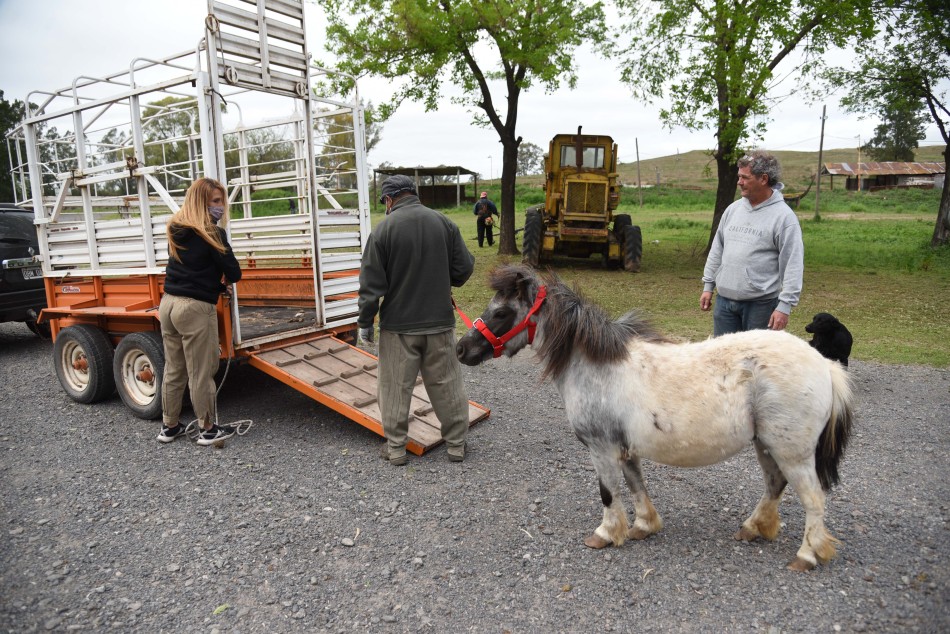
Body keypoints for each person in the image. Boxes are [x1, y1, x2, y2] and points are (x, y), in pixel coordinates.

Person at [358, 175, 476, 465]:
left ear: (389, 199)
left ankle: (396, 448)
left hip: (398, 327)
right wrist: (442, 278)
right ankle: (456, 445)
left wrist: (365, 322)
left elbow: (371, 285)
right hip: (440, 323)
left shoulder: (383, 230)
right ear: (414, 192)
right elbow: (463, 268)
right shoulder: (444, 223)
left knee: (395, 387)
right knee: (447, 384)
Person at [157, 178, 243, 446]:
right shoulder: (212, 232)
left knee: (174, 369)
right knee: (201, 371)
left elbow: (191, 267)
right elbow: (234, 272)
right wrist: (220, 282)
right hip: (194, 308)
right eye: (216, 201)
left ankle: (169, 426)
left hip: (168, 304)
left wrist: (213, 282)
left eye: (221, 200)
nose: (221, 206)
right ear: (201, 202)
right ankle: (207, 430)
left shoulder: (175, 228)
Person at [700, 150, 804, 336]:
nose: (739, 182)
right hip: (724, 303)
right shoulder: (733, 210)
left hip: (761, 306)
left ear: (763, 179)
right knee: (723, 354)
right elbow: (717, 249)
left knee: (758, 355)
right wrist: (708, 285)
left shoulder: (784, 217)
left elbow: (793, 263)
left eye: (744, 177)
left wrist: (785, 305)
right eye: (739, 176)